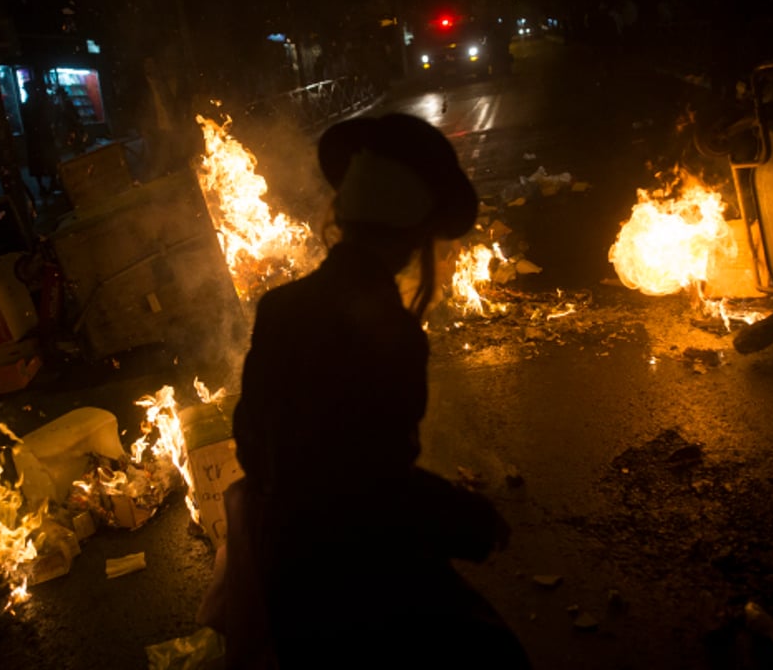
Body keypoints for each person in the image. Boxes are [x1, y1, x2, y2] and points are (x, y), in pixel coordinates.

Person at [209, 113, 532, 668]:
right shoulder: (394, 332)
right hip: (360, 591)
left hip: (287, 578)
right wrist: (470, 519)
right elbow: (373, 491)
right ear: (412, 238)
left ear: (343, 218)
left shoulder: (279, 308)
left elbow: (255, 445)